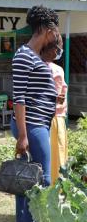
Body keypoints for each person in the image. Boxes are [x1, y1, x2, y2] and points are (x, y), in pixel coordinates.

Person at [12, 5, 59, 222]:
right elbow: (19, 98)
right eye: (56, 31)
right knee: (38, 182)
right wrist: (23, 135)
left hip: (37, 124)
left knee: (29, 181)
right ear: (48, 30)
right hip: (31, 125)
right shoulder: (23, 55)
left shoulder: (36, 57)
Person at [41, 35, 68, 184]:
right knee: (56, 156)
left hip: (44, 120)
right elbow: (60, 96)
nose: (60, 52)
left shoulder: (37, 66)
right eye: (59, 48)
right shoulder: (55, 70)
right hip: (54, 120)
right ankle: (56, 187)